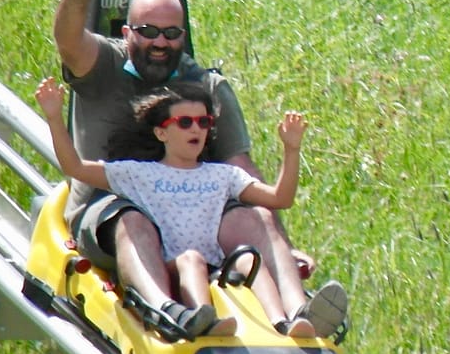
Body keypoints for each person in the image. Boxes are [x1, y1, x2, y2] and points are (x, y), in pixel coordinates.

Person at [52, 0, 346, 339]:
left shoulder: (205, 86)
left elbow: (242, 172)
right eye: (149, 32)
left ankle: (298, 311)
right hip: (114, 206)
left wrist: (281, 244)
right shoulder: (103, 65)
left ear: (183, 36)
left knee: (256, 219)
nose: (160, 43)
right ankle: (165, 309)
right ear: (128, 32)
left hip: (192, 209)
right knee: (132, 221)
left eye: (171, 34)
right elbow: (68, 41)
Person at [36, 77, 324, 337]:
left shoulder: (224, 175)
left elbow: (280, 198)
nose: (196, 128)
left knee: (250, 259)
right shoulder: (139, 173)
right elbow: (74, 167)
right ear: (162, 133)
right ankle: (202, 321)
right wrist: (54, 117)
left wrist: (292, 150)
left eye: (203, 122)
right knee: (190, 260)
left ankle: (283, 322)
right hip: (170, 262)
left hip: (217, 263)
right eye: (185, 122)